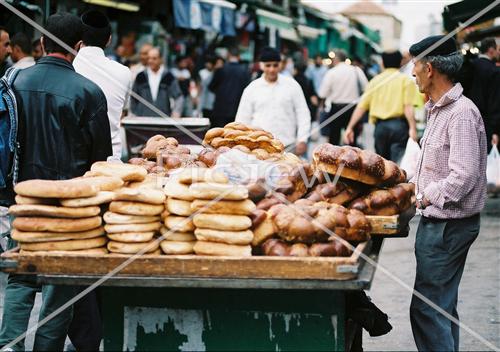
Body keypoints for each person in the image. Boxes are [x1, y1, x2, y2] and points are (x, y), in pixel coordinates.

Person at [0, 12, 112, 351]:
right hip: (70, 210)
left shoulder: (13, 82)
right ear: (78, 46)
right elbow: (100, 161)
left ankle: (9, 346)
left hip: (24, 199)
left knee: (21, 274)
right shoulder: (89, 92)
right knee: (59, 285)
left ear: (42, 43)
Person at [409, 35, 487, 352]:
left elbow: (464, 174)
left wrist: (425, 196)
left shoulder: (461, 114)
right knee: (440, 307)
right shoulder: (439, 109)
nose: (411, 72)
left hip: (447, 227)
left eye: (414, 65)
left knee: (427, 310)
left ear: (429, 69)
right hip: (442, 224)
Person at [74, 9, 131, 162]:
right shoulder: (124, 72)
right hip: (111, 160)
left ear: (79, 38)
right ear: (109, 40)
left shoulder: (68, 67)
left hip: (74, 159)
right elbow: (123, 113)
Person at [343, 51, 418, 163]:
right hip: (400, 127)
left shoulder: (375, 81)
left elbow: (361, 107)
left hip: (380, 127)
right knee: (398, 164)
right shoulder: (406, 80)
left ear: (382, 63)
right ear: (400, 62)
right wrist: (413, 128)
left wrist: (350, 127)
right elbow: (408, 106)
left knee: (380, 164)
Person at [235, 47, 311, 156]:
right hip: (259, 147)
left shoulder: (292, 85)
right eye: (268, 65)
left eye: (275, 65)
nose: (272, 69)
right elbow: (242, 119)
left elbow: (303, 113)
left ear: (280, 65)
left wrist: (302, 139)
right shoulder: (252, 88)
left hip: (287, 145)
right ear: (261, 65)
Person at [318, 50, 368, 146]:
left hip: (336, 108)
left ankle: (333, 159)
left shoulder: (332, 72)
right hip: (353, 108)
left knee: (334, 139)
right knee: (351, 138)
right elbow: (366, 88)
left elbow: (322, 93)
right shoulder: (356, 70)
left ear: (336, 59)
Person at [467, 38, 500, 151]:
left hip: (468, 121)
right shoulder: (494, 71)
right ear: (491, 50)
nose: (498, 53)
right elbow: (495, 103)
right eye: (497, 49)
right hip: (487, 126)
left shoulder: (470, 67)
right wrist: (495, 131)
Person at [130, 47, 183, 117]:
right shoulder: (141, 76)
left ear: (161, 59)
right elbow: (133, 96)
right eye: (149, 58)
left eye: (154, 58)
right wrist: (136, 113)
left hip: (163, 120)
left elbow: (178, 96)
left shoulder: (168, 76)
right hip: (143, 120)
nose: (150, 61)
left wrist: (176, 112)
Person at [209, 47, 250, 127]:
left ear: (228, 55)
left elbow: (211, 86)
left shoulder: (221, 69)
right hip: (238, 108)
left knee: (220, 135)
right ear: (239, 56)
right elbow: (247, 89)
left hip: (220, 108)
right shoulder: (244, 71)